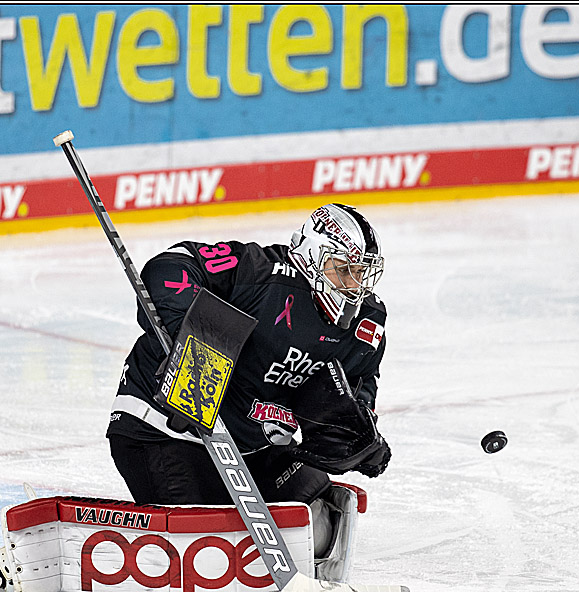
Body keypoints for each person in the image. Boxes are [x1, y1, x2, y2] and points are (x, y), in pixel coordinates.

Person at [105, 203, 392, 567]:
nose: (353, 285)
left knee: (315, 524)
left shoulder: (366, 323)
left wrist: (358, 436)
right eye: (343, 269)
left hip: (250, 445)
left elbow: (355, 389)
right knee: (203, 549)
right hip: (162, 429)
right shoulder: (258, 272)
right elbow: (169, 267)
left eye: (361, 273)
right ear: (313, 255)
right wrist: (192, 342)